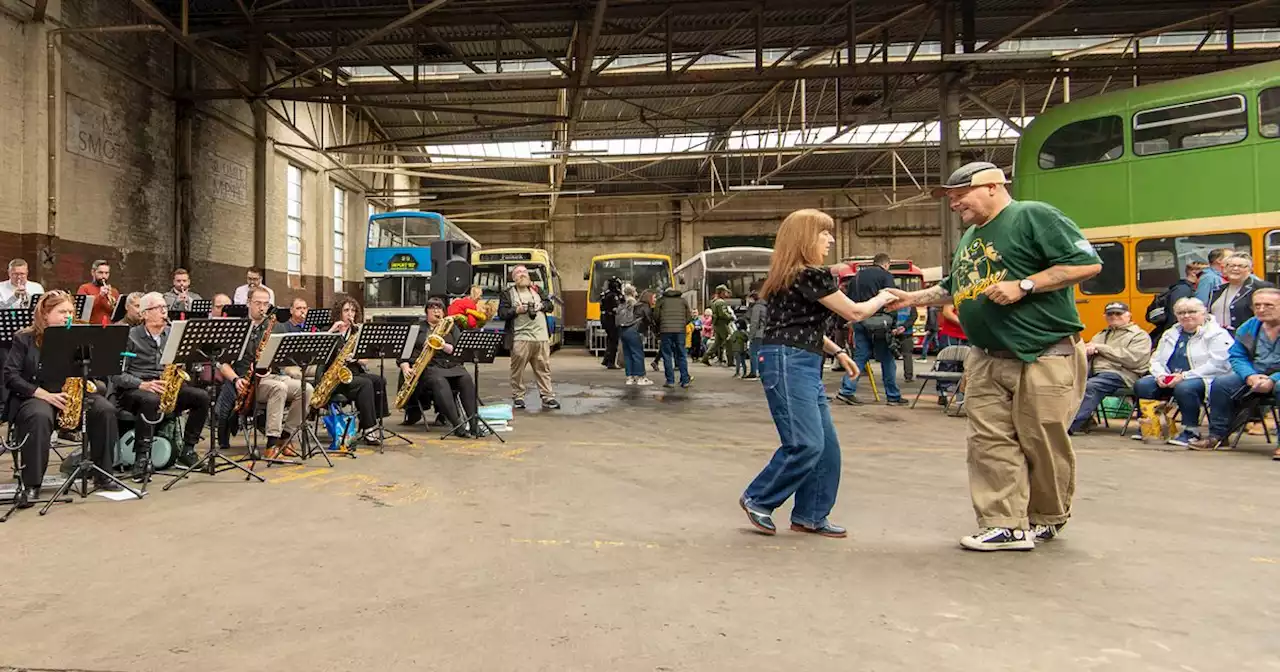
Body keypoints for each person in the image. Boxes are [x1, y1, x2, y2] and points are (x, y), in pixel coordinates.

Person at [884, 161, 1102, 552]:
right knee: (988, 440)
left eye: (959, 195)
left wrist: (1026, 284)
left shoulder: (1033, 215)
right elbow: (955, 286)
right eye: (951, 198)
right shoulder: (971, 235)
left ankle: (1047, 517)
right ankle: (1005, 524)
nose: (954, 205)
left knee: (1041, 441)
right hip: (985, 356)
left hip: (1041, 353)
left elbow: (1086, 263)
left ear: (991, 186)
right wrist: (910, 298)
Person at [739, 209, 898, 539]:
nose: (830, 239)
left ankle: (811, 515)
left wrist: (838, 351)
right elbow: (854, 312)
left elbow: (798, 328)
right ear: (804, 238)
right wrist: (883, 296)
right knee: (806, 444)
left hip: (801, 358)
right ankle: (759, 498)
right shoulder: (811, 275)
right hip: (788, 361)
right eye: (824, 233)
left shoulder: (792, 276)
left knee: (826, 448)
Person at [3, 292, 122, 502]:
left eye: (70, 312)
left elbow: (95, 370)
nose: (67, 316)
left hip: (72, 394)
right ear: (45, 314)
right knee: (39, 417)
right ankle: (32, 483)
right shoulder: (25, 338)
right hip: (36, 395)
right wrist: (44, 395)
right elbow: (10, 376)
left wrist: (90, 379)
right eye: (61, 312)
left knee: (105, 410)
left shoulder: (78, 336)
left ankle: (103, 474)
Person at [113, 292, 210, 478]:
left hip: (165, 387)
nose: (164, 312)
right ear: (145, 314)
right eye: (159, 308)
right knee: (151, 400)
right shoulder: (129, 336)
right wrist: (142, 384)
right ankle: (142, 457)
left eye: (165, 307)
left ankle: (188, 449)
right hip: (135, 390)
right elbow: (116, 374)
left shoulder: (171, 334)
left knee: (202, 397)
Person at [215, 286, 307, 456]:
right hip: (248, 381)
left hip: (271, 375)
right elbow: (222, 364)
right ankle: (271, 444)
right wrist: (236, 380)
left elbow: (282, 360)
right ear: (248, 303)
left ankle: (285, 436)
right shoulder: (237, 328)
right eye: (258, 303)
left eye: (266, 304)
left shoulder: (276, 327)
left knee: (306, 389)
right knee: (278, 389)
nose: (262, 307)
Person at [1133, 297, 1232, 447]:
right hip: (1170, 376)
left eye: (1192, 312)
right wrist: (1160, 375)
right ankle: (1152, 427)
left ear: (1204, 313)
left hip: (1204, 378)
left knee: (1185, 387)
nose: (1186, 316)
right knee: (1143, 384)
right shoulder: (1170, 334)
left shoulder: (1217, 334)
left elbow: (1219, 364)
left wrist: (1184, 376)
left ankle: (1191, 431)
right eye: (1181, 313)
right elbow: (1156, 359)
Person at [1191, 288, 1280, 453]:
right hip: (1255, 373)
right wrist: (1250, 376)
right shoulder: (1249, 327)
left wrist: (1273, 380)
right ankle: (1217, 436)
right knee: (1222, 383)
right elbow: (1237, 356)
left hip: (1277, 377)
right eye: (1257, 305)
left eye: (1268, 305)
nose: (1261, 309)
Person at [399, 298, 483, 437]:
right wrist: (405, 367)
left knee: (466, 379)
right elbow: (404, 351)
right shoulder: (418, 328)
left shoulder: (452, 327)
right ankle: (458, 425)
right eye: (432, 308)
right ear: (426, 311)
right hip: (428, 367)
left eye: (439, 308)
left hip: (450, 364)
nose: (436, 311)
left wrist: (443, 345)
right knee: (439, 381)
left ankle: (474, 424)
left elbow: (459, 349)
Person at [1068, 302, 1151, 435]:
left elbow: (1135, 360)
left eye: (1118, 313)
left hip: (1122, 374)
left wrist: (1101, 348)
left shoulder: (1139, 336)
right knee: (1064, 382)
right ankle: (1082, 420)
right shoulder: (1100, 335)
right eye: (1110, 314)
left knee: (1091, 386)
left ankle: (1070, 425)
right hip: (1094, 372)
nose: (1114, 316)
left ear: (1128, 315)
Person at [835, 253, 905, 406]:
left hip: (859, 320)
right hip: (879, 322)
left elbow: (849, 300)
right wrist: (894, 324)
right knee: (887, 358)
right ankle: (893, 395)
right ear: (886, 264)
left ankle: (846, 390)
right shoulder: (885, 276)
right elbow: (891, 299)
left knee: (860, 356)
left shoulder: (857, 276)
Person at [321, 296, 388, 445]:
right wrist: (331, 332)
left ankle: (370, 422)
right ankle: (369, 429)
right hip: (335, 378)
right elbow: (319, 354)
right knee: (365, 384)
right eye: (346, 310)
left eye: (353, 310)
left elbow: (365, 360)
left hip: (354, 373)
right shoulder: (328, 330)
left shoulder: (356, 332)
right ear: (339, 313)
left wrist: (355, 358)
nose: (350, 314)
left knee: (379, 380)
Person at [498, 265, 560, 409]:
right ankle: (518, 396)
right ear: (513, 278)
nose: (522, 275)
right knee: (517, 370)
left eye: (524, 272)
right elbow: (502, 313)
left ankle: (547, 396)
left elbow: (550, 305)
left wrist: (540, 306)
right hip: (520, 337)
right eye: (518, 273)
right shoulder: (508, 293)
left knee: (543, 368)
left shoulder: (537, 290)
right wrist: (517, 310)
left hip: (541, 337)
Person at [1208, 254, 1272, 335]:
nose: (1235, 269)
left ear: (1251, 269)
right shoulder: (1217, 290)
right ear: (1225, 269)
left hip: (1246, 340)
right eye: (1231, 266)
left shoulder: (1260, 287)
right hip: (1218, 340)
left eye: (1241, 266)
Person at [1150, 262, 1205, 343]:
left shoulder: (1183, 288)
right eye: (1205, 275)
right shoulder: (1183, 290)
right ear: (1194, 273)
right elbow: (1175, 315)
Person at [654, 286, 692, 388]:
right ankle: (685, 380)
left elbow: (656, 316)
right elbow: (689, 316)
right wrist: (682, 324)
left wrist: (661, 324)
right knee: (682, 354)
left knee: (667, 355)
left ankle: (670, 381)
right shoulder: (683, 301)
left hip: (665, 330)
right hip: (680, 331)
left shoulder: (661, 301)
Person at [616, 284, 652, 386]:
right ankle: (641, 377)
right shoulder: (634, 303)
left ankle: (630, 377)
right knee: (637, 354)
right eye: (635, 291)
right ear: (632, 293)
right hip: (633, 330)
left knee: (627, 355)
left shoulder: (621, 304)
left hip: (623, 331)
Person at [934, 303, 969, 406]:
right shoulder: (955, 293)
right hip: (952, 333)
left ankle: (961, 395)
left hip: (969, 335)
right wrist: (964, 323)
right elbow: (947, 312)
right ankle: (943, 393)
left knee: (966, 366)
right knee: (947, 364)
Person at [76, 259, 119, 325]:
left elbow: (117, 315)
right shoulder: (84, 288)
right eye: (100, 273)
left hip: (109, 327)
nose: (104, 276)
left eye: (106, 273)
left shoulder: (114, 291)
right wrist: (100, 295)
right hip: (90, 327)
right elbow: (83, 311)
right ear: (93, 272)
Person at [701, 285, 734, 366]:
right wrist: (731, 317)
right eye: (725, 291)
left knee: (717, 343)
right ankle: (730, 362)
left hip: (717, 324)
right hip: (722, 324)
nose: (726, 293)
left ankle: (705, 357)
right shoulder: (720, 302)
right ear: (721, 292)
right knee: (729, 341)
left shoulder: (714, 301)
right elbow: (722, 314)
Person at [599, 277, 623, 370]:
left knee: (610, 340)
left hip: (605, 319)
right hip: (611, 320)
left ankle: (606, 360)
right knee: (613, 340)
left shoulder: (605, 295)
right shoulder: (613, 295)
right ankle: (610, 362)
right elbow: (615, 309)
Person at [893, 304, 919, 382]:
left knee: (889, 356)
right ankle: (908, 376)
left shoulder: (893, 303)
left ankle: (889, 376)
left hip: (893, 332)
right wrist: (905, 327)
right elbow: (914, 317)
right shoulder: (911, 305)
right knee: (907, 355)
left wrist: (894, 328)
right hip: (907, 333)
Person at [745, 291, 766, 380]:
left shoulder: (756, 307)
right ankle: (762, 371)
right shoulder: (764, 306)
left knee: (753, 353)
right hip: (764, 333)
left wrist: (751, 336)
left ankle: (754, 371)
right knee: (761, 354)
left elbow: (754, 322)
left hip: (757, 333)